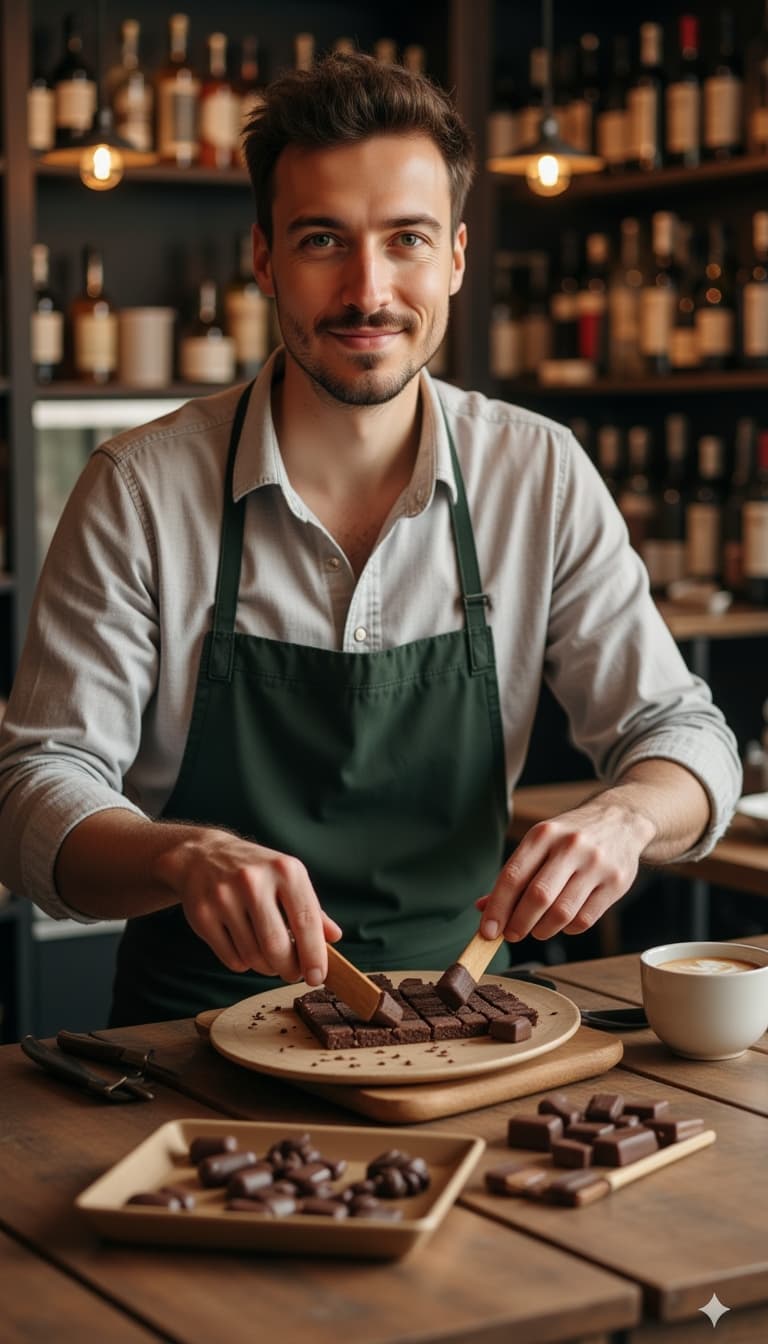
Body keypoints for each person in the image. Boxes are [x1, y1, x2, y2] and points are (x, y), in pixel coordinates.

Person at [0, 54, 740, 1026]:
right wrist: (180, 856)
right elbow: (32, 789)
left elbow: (685, 735)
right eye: (322, 241)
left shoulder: (538, 474)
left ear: (458, 258)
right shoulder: (139, 488)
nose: (368, 290)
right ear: (263, 258)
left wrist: (625, 815)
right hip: (186, 1045)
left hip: (470, 1039)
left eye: (407, 240)